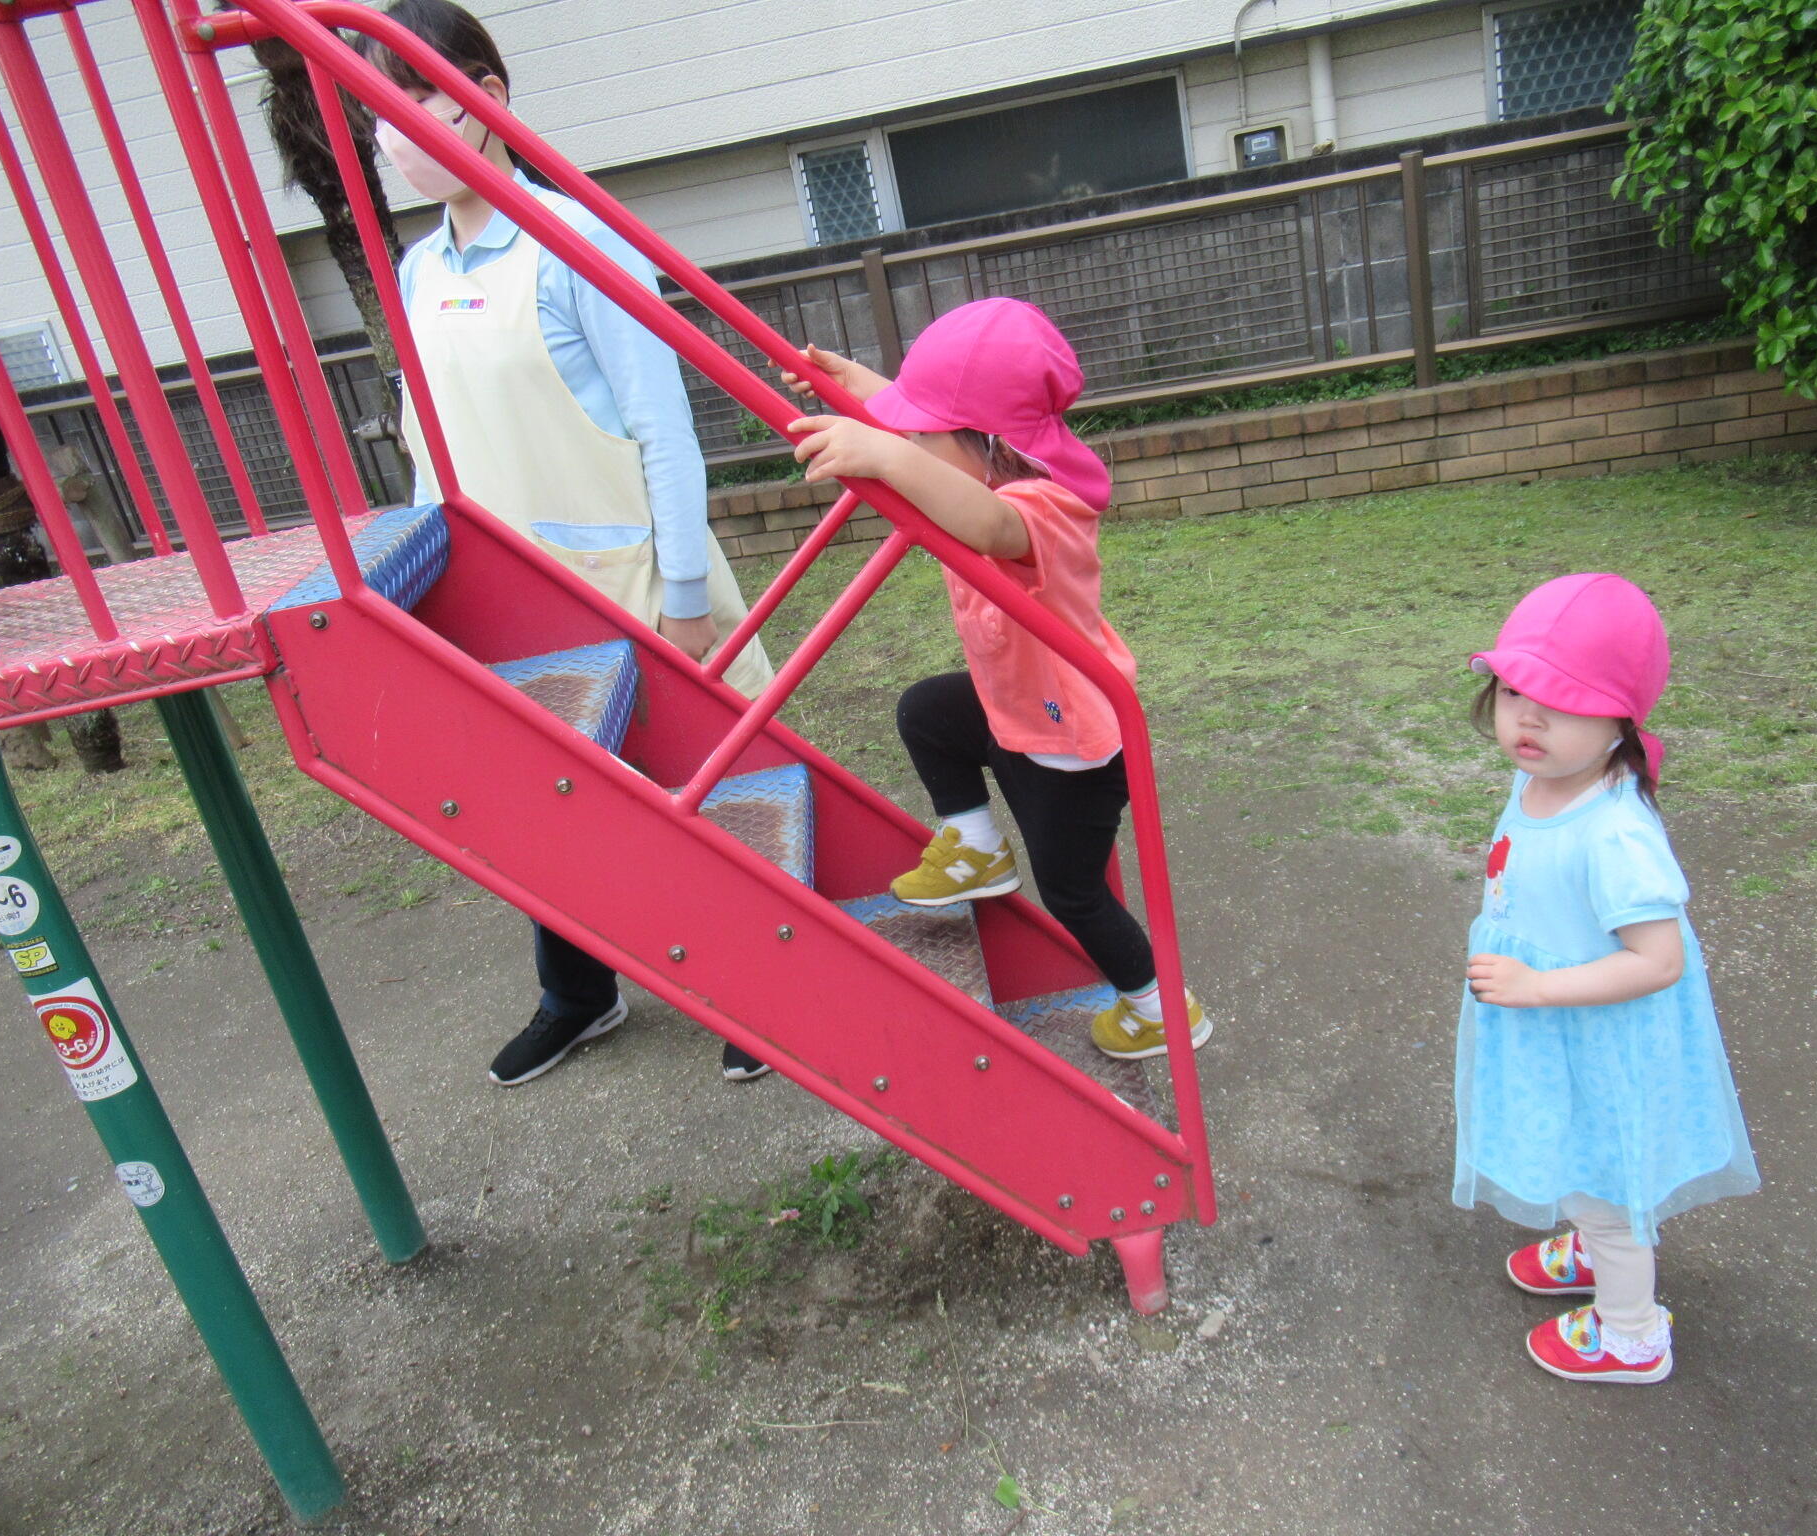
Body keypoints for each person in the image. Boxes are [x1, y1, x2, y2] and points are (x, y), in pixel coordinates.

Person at [361, 0, 773, 1087]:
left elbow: (663, 429)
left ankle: (761, 989)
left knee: (699, 794)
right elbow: (430, 446)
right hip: (495, 592)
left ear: (487, 103)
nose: (393, 136)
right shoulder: (415, 271)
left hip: (629, 578)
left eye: (415, 99)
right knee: (541, 812)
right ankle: (577, 993)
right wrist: (415, 570)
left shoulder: (571, 240)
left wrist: (683, 593)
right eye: (374, 116)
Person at [782, 298, 1207, 1061]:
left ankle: (1159, 1009)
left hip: (1070, 744)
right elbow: (945, 438)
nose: (906, 442)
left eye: (921, 437)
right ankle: (976, 843)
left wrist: (882, 455)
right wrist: (858, 385)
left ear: (985, 442)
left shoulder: (1044, 505)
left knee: (1075, 894)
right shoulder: (981, 455)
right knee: (928, 712)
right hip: (1014, 707)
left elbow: (987, 525)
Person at [1457, 572, 1759, 1383]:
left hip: (1599, 1036)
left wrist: (1536, 987)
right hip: (1558, 1029)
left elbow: (1659, 960)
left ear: (1623, 714)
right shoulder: (1544, 776)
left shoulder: (1615, 831)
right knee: (1574, 1156)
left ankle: (1632, 1333)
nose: (1527, 715)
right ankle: (1590, 1241)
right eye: (1515, 688)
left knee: (1613, 1195)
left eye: (1562, 699)